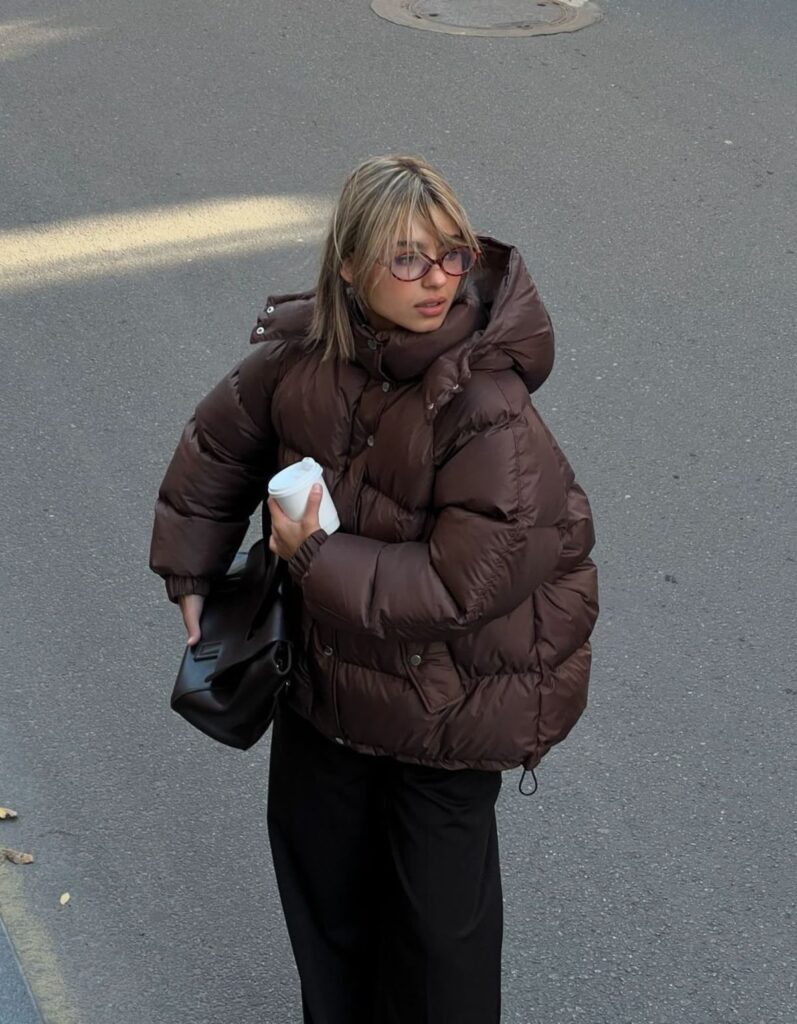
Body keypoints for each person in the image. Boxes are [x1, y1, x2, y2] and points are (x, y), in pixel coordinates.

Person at [149, 154, 598, 1024]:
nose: (435, 279)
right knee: (326, 888)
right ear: (349, 267)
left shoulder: (488, 406)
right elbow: (221, 442)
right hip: (330, 680)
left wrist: (313, 556)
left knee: (438, 940)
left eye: (451, 255)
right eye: (406, 258)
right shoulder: (304, 358)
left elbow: (462, 583)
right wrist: (189, 565)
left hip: (455, 695)